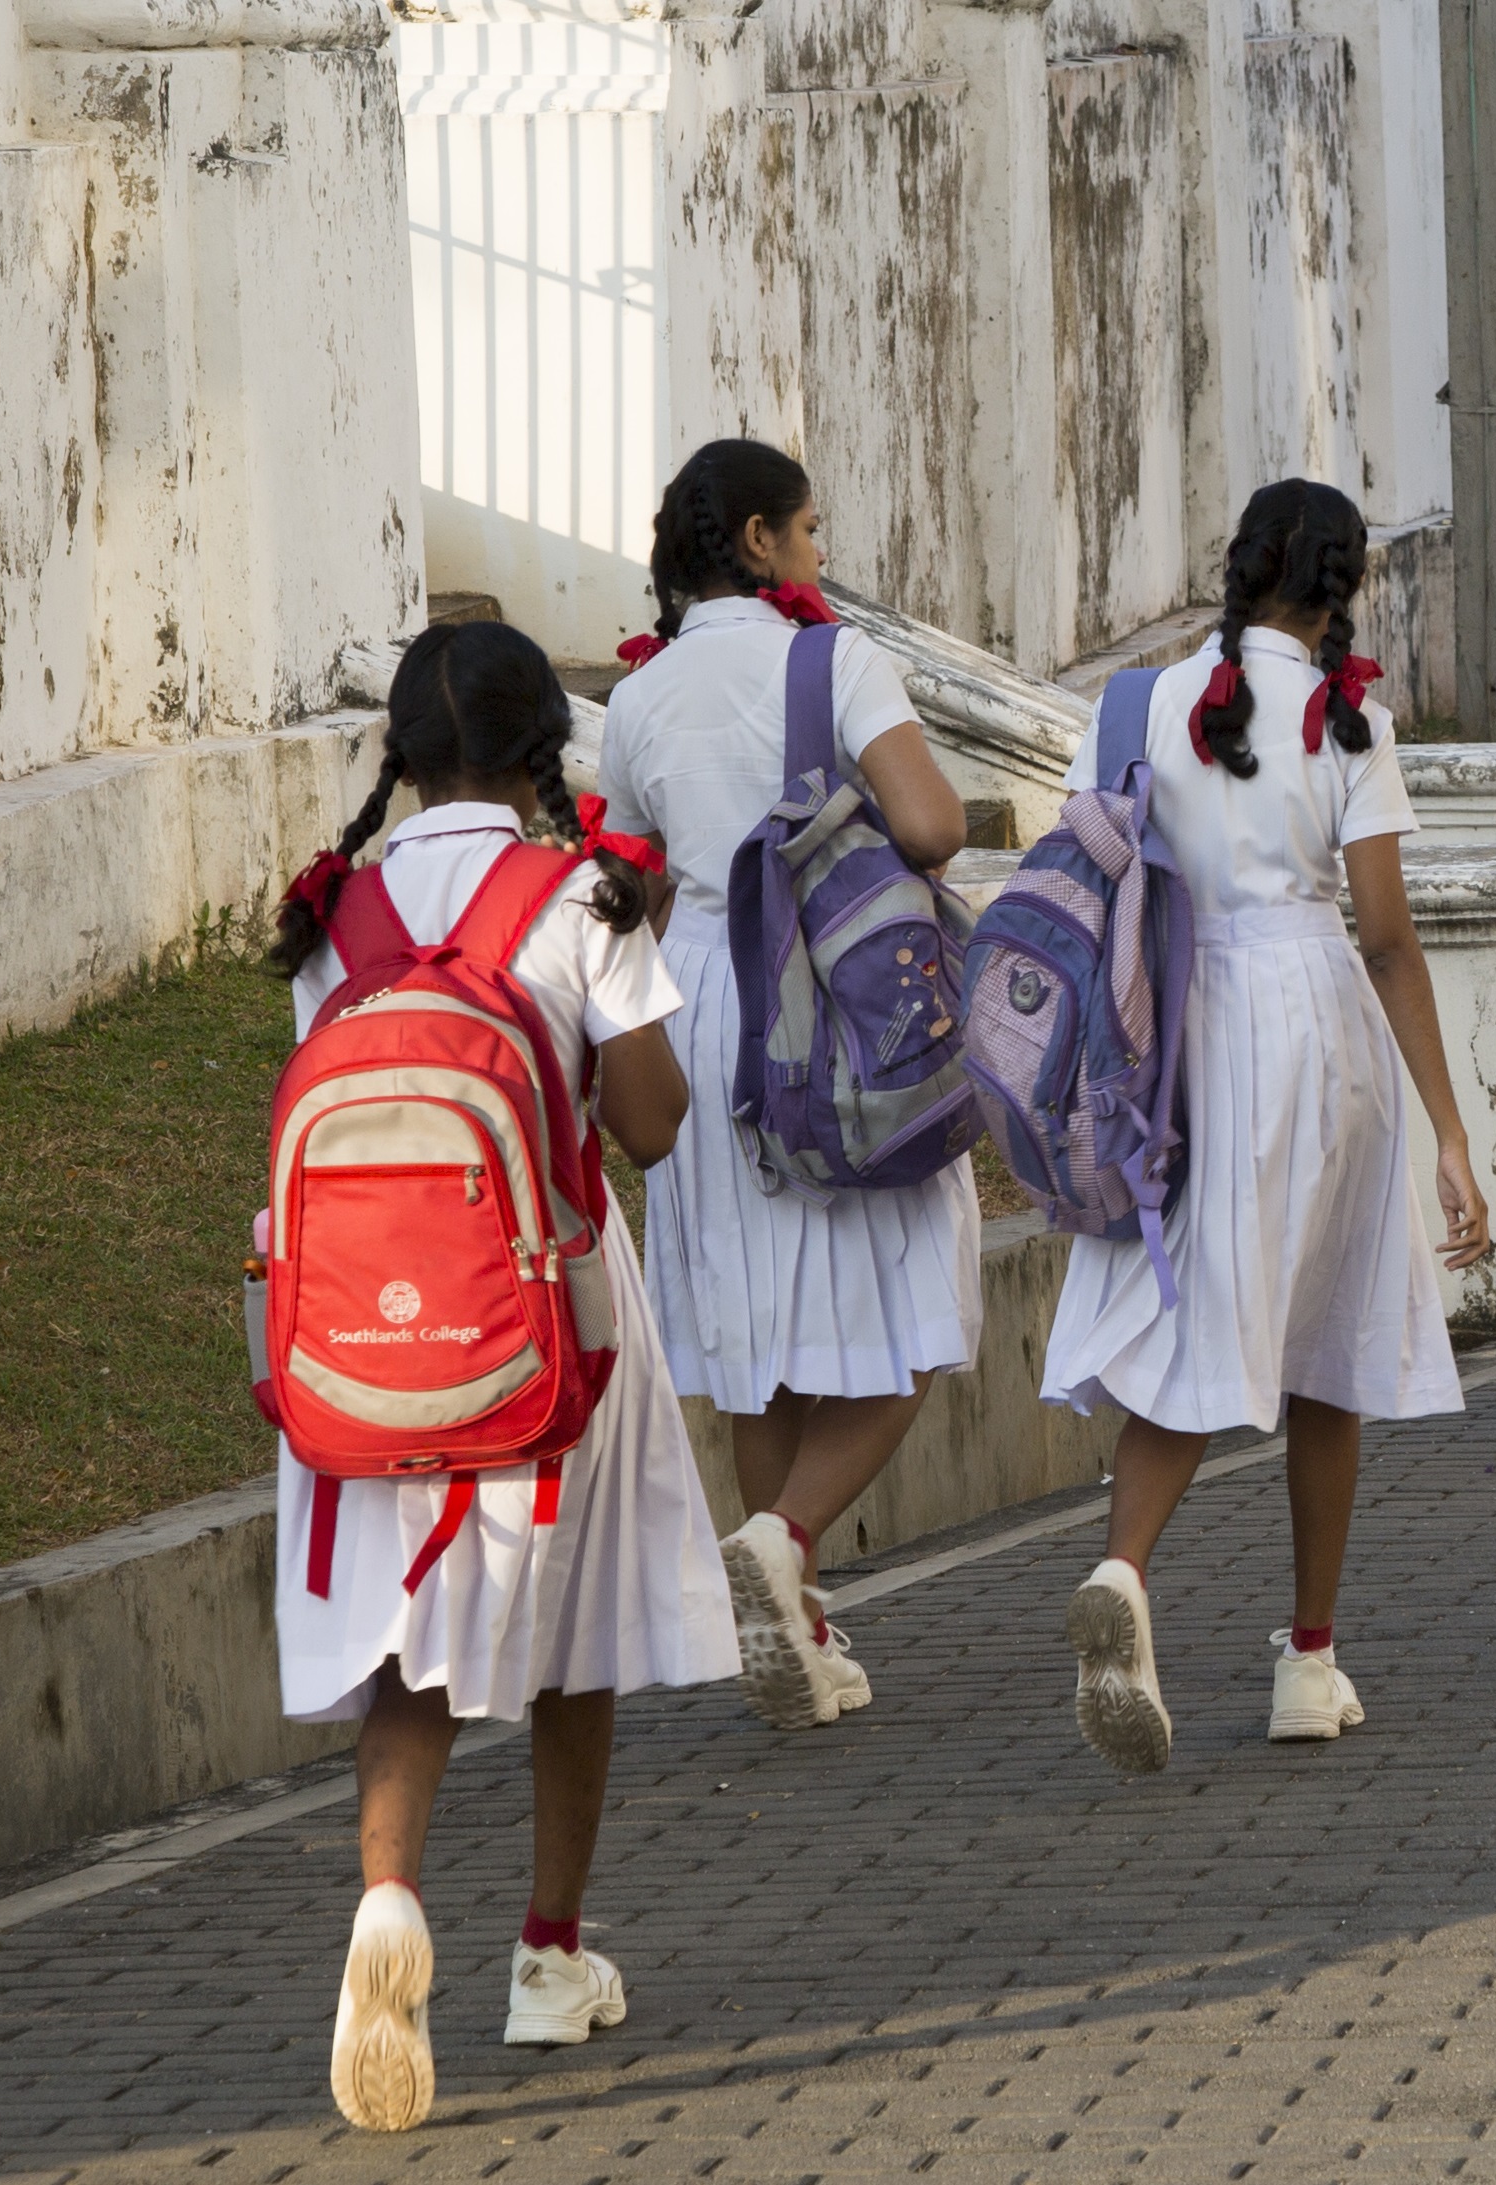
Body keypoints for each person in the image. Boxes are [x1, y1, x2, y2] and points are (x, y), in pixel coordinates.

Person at [279, 621, 732, 2134]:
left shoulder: (336, 915)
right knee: (573, 1626)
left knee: (407, 1648)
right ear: (546, 745)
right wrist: (636, 945)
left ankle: (387, 1899)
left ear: (402, 755)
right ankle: (548, 1954)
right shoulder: (578, 896)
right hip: (549, 1330)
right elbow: (651, 1126)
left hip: (362, 1344)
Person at [1050, 478, 1492, 1771]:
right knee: (1330, 1347)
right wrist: (1450, 1132)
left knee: (1201, 1312)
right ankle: (1308, 1658)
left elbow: (1088, 861)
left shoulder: (1138, 704)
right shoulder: (1351, 724)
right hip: (1313, 1026)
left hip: (1170, 1024)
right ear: (1344, 585)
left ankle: (1125, 1569)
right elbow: (1389, 937)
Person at [596, 439, 979, 1733]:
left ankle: (797, 1626)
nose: (820, 551)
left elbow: (632, 876)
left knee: (758, 1342)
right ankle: (783, 1541)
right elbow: (932, 827)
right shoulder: (831, 660)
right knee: (916, 1301)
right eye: (809, 529)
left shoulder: (638, 696)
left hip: (701, 1003)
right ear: (760, 541)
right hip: (831, 996)